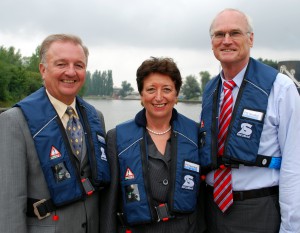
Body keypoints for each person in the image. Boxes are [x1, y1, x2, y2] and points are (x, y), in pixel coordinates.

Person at [199, 8, 300, 233]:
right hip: (211, 210)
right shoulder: (210, 90)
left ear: (250, 39)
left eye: (235, 33)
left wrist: (292, 227)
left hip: (258, 209)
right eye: (219, 34)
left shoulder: (281, 88)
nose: (226, 41)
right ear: (212, 42)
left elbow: (295, 164)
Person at [0, 34, 110, 233]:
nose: (71, 72)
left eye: (79, 65)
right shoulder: (14, 121)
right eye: (61, 64)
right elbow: (8, 202)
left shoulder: (96, 117)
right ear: (43, 69)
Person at [100, 57, 206, 233]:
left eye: (166, 89)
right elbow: (109, 202)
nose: (158, 97)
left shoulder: (195, 133)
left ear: (176, 95)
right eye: (151, 89)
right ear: (141, 95)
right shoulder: (116, 137)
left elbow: (203, 196)